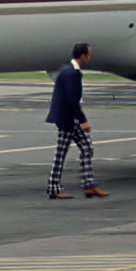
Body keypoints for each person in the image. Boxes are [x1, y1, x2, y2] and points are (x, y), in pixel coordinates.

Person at [45, 42, 109, 200]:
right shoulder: (70, 73)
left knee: (87, 148)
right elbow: (72, 100)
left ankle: (90, 185)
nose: (90, 57)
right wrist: (84, 121)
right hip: (67, 119)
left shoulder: (72, 71)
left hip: (70, 117)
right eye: (89, 54)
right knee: (61, 154)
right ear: (82, 56)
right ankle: (54, 188)